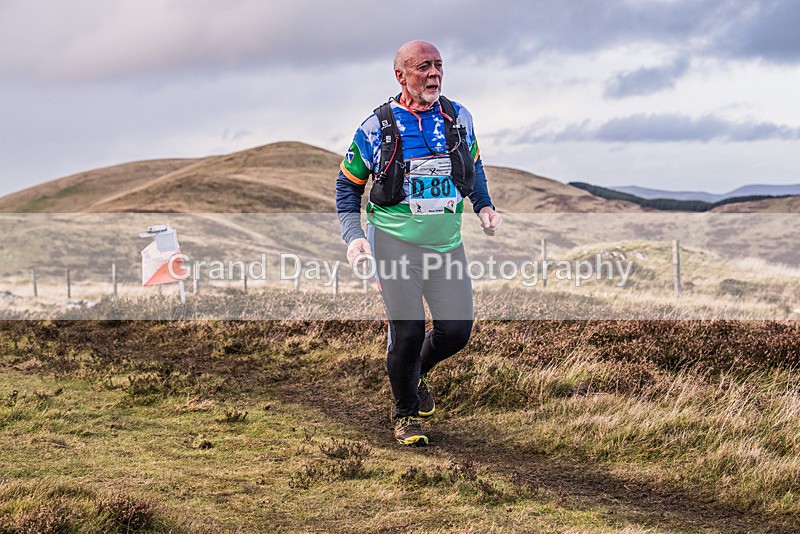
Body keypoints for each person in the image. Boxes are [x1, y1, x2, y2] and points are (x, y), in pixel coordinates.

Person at [336, 40, 501, 445]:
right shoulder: (376, 128)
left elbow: (474, 165)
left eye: (439, 66)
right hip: (393, 243)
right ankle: (405, 413)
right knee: (407, 332)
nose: (433, 74)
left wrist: (483, 205)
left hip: (445, 244)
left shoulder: (459, 118)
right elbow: (347, 185)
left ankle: (416, 373)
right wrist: (354, 237)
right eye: (423, 67)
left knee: (456, 331)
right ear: (401, 76)